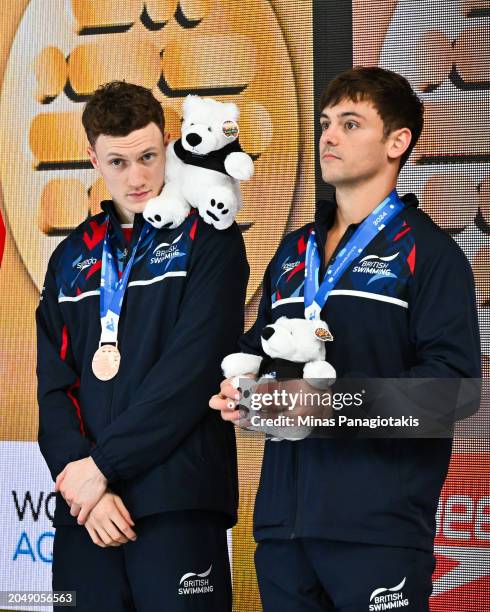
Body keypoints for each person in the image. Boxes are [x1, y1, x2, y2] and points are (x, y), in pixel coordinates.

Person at [210, 67, 481, 611]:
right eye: (326, 123)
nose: (328, 136)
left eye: (351, 123)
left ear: (397, 142)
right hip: (282, 530)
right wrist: (244, 396)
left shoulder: (431, 255)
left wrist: (327, 407)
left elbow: (451, 395)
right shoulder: (293, 252)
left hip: (377, 532)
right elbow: (263, 351)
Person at [36, 81, 249, 611]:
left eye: (148, 157)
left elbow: (192, 372)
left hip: (175, 501)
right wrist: (82, 482)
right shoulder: (71, 257)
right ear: (92, 158)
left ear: (169, 141)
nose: (136, 178)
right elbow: (53, 386)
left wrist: (103, 465)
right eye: (118, 162)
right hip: (87, 511)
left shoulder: (211, 238)